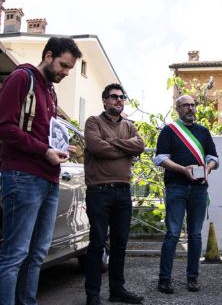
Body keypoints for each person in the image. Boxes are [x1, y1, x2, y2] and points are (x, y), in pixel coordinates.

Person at [0, 37, 82, 305]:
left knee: (38, 252)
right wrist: (44, 151)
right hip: (22, 176)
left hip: (49, 178)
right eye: (64, 66)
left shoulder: (50, 91)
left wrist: (61, 148)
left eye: (69, 69)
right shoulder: (22, 78)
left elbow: (43, 132)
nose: (66, 73)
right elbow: (3, 126)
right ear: (49, 55)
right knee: (14, 253)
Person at [83, 84, 146, 305]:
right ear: (104, 101)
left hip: (123, 191)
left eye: (122, 97)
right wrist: (124, 148)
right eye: (114, 97)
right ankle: (92, 294)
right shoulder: (93, 122)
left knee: (120, 244)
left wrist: (112, 143)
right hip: (99, 190)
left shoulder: (128, 126)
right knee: (98, 242)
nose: (119, 100)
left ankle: (117, 290)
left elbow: (140, 145)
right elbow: (97, 148)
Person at [153, 94, 219, 294]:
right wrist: (183, 170)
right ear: (178, 109)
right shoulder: (169, 130)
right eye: (186, 105)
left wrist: (208, 168)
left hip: (199, 188)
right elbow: (161, 158)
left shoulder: (203, 131)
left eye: (192, 105)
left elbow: (213, 157)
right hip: (176, 187)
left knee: (196, 235)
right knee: (172, 233)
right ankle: (164, 279)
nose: (191, 108)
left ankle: (193, 278)